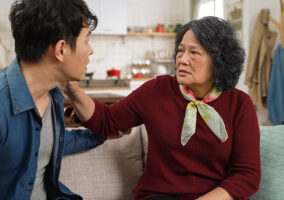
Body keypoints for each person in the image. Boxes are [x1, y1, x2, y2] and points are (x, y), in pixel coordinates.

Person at [64, 16, 261, 200]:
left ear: (219, 63)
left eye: (194, 53)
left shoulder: (240, 104)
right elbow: (106, 121)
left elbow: (246, 175)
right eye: (180, 51)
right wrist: (71, 88)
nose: (182, 59)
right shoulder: (157, 90)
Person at [0, 0, 128, 199]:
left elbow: (51, 141)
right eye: (86, 41)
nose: (90, 50)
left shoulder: (53, 95)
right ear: (60, 50)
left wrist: (102, 133)